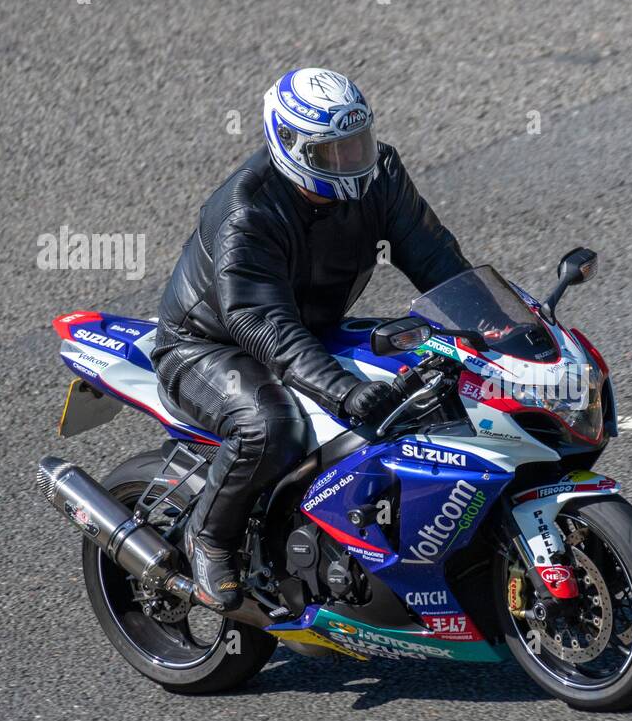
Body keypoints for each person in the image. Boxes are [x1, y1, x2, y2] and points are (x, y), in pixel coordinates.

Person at [151, 67, 469, 611]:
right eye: (332, 152)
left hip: (312, 328)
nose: (350, 162)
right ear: (291, 145)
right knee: (271, 425)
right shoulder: (247, 209)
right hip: (207, 345)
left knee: (433, 379)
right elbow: (259, 320)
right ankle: (210, 536)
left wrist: (493, 331)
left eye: (356, 144)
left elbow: (437, 260)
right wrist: (341, 389)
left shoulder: (382, 173)